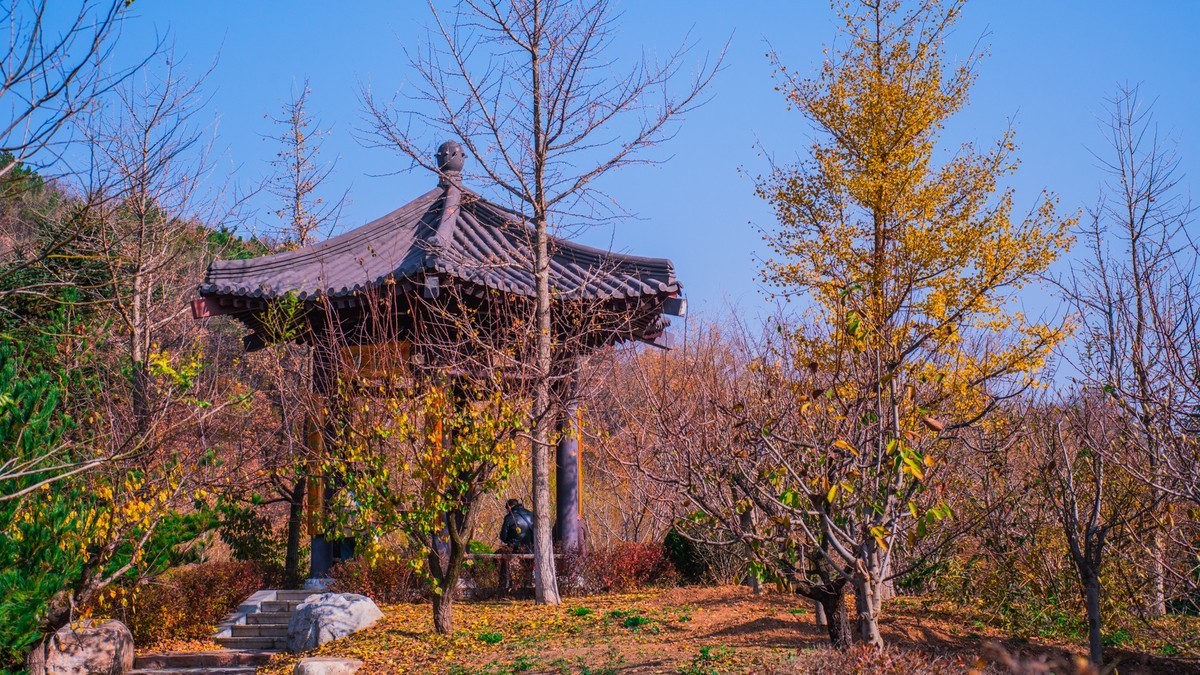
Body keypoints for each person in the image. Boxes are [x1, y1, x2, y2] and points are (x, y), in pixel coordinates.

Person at [498, 498, 534, 593]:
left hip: (514, 548)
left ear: (509, 507)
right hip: (530, 548)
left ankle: (503, 584)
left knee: (499, 557)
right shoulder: (531, 515)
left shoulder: (509, 517)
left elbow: (503, 537)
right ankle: (527, 584)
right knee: (527, 567)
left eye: (506, 508)